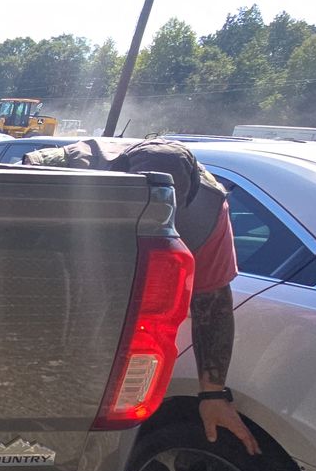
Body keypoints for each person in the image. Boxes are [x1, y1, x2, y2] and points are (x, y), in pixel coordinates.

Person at [23, 138, 259, 454]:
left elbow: (212, 303)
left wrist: (213, 394)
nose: (151, 213)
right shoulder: (61, 174)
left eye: (163, 205)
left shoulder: (209, 211)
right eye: (143, 203)